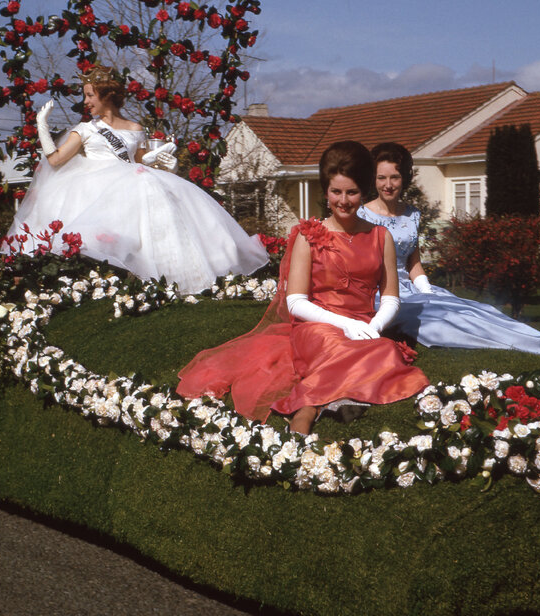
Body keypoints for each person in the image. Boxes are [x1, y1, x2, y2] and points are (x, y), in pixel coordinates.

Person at [177, 141, 429, 434]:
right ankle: (307, 411)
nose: (344, 201)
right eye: (336, 192)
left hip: (365, 325)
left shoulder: (380, 236)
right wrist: (344, 324)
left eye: (352, 192)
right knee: (335, 345)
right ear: (326, 192)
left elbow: (390, 297)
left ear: (364, 192)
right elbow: (296, 301)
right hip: (317, 324)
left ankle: (325, 399)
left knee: (385, 350)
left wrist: (376, 325)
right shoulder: (308, 236)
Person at [3, 65, 268, 294]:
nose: (85, 102)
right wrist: (41, 126)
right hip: (96, 187)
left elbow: (140, 161)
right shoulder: (84, 130)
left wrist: (166, 164)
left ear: (106, 95)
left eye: (89, 95)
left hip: (134, 182)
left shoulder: (135, 128)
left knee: (162, 212)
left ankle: (182, 279)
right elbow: (55, 160)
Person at [357, 142, 540, 361]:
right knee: (443, 322)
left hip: (413, 288)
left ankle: (531, 345)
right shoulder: (362, 216)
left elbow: (413, 262)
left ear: (404, 179)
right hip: (381, 293)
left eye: (395, 177)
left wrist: (426, 290)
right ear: (373, 179)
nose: (388, 184)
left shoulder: (411, 214)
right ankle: (489, 345)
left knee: (473, 312)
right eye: (381, 178)